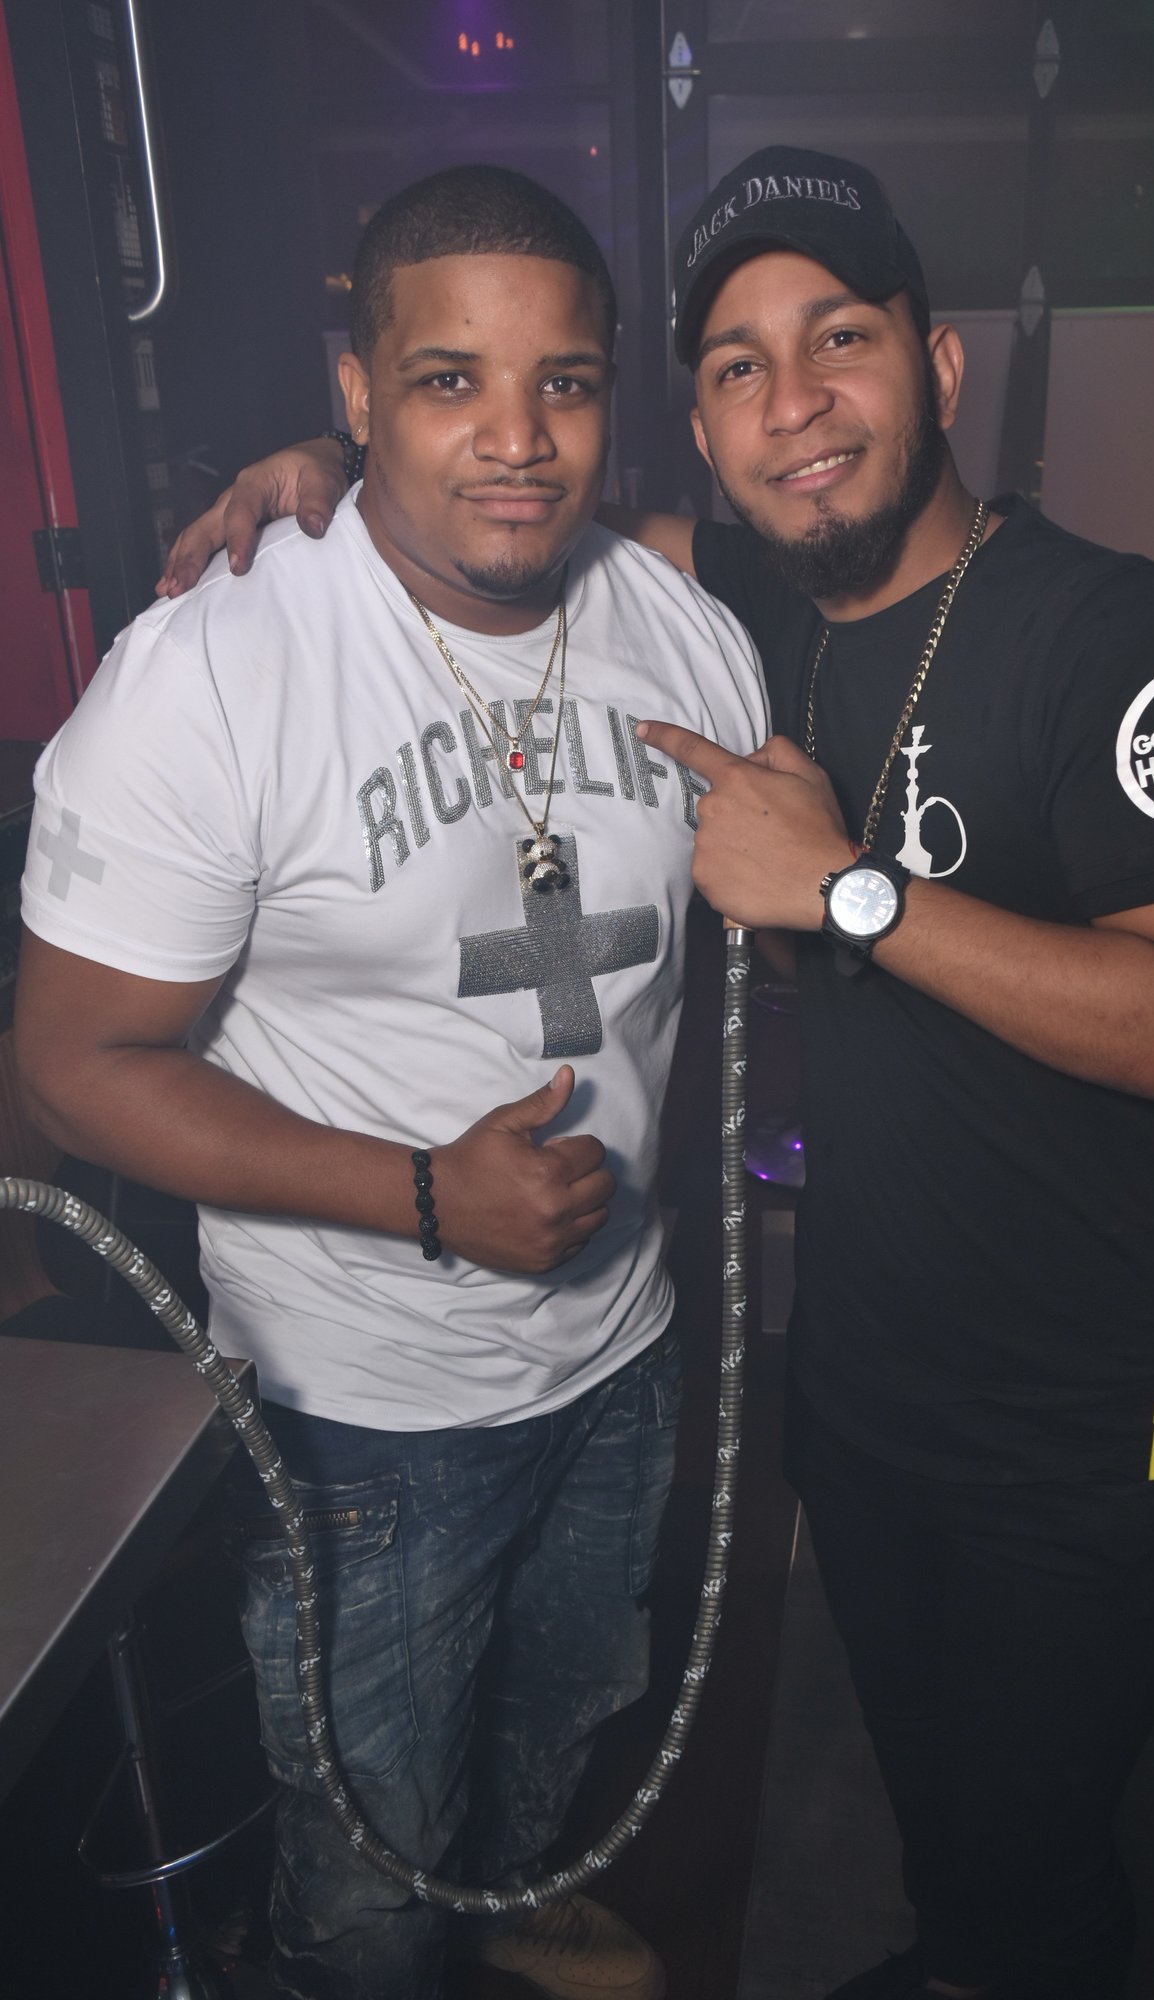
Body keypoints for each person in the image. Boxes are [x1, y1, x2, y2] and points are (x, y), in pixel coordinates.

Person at [155, 146, 1154, 2000]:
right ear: (704, 430)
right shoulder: (753, 606)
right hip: (868, 1392)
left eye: (840, 339)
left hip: (1090, 1425)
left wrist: (847, 890)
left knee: (1033, 1852)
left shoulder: (1114, 635)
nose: (795, 403)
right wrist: (335, 474)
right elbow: (518, 515)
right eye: (739, 368)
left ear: (937, 364)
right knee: (941, 1816)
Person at [17, 164, 768, 2000]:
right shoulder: (215, 670)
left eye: (563, 382)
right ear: (354, 392)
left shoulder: (685, 625)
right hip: (356, 1402)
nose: (516, 440)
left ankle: (512, 1899)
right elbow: (70, 1070)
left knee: (567, 1707)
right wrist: (422, 1193)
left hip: (623, 1350)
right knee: (367, 1846)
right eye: (449, 381)